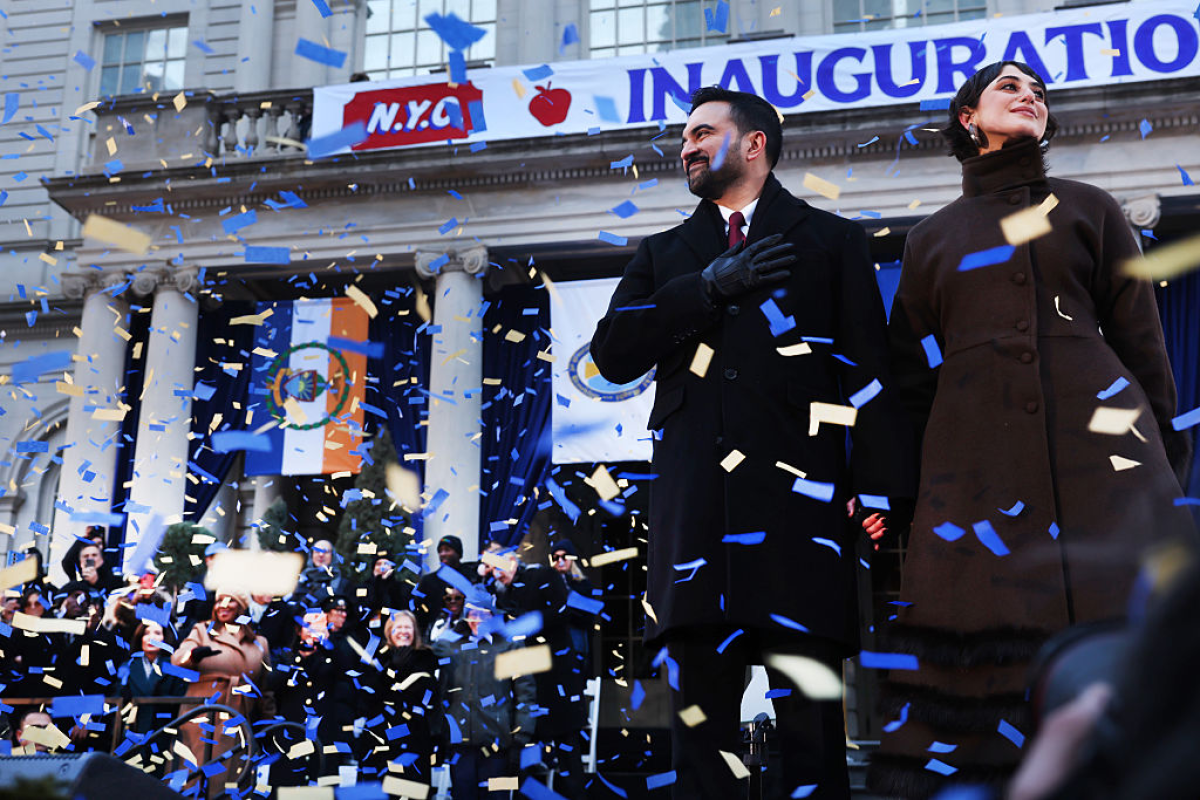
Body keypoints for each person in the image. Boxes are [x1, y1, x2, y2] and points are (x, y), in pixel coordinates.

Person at [872, 61, 1197, 798]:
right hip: (972, 482)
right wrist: (925, 496)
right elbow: (912, 380)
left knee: (1124, 654)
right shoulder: (930, 238)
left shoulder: (1092, 208)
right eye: (1010, 87)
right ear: (967, 117)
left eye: (1039, 92)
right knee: (980, 677)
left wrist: (1164, 469)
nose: (1030, 97)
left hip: (1108, 468)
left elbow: (1144, 346)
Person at [590, 86, 913, 800]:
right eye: (684, 139)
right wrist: (703, 287)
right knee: (701, 757)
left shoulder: (832, 242)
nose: (687, 148)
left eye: (703, 133)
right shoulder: (665, 252)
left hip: (804, 531)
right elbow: (611, 354)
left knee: (812, 752)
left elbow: (869, 375)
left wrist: (882, 494)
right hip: (696, 534)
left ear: (755, 142)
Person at [433, 588, 536, 800]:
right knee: (462, 795)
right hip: (459, 740)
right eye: (471, 613)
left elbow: (526, 694)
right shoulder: (449, 645)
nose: (476, 619)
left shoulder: (511, 646)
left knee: (496, 797)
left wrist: (520, 737)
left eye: (482, 614)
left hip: (498, 742)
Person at [172, 587, 271, 799]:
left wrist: (269, 722)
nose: (223, 606)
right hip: (201, 713)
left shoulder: (259, 643)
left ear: (242, 607)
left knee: (229, 775)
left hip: (238, 717)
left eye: (230, 601)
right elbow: (177, 660)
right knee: (196, 771)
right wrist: (192, 656)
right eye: (219, 601)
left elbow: (265, 689)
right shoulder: (201, 630)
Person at [360, 610, 440, 787]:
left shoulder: (428, 658)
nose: (404, 631)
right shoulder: (377, 658)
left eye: (408, 627)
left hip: (416, 739)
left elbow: (433, 697)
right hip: (383, 739)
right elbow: (368, 697)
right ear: (389, 631)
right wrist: (391, 669)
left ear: (415, 631)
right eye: (399, 627)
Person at [122, 620, 187, 735]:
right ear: (140, 638)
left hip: (164, 733)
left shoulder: (175, 667)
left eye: (157, 633)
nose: (151, 638)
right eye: (146, 633)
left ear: (164, 639)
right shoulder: (128, 666)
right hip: (133, 733)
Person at [413, 535, 476, 632]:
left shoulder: (472, 574)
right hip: (438, 634)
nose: (442, 554)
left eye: (447, 550)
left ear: (458, 553)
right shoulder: (428, 580)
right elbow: (419, 612)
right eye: (440, 551)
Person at [295, 539, 349, 604]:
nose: (321, 555)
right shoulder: (300, 581)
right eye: (317, 551)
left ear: (332, 556)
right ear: (312, 555)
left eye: (326, 552)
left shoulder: (343, 584)